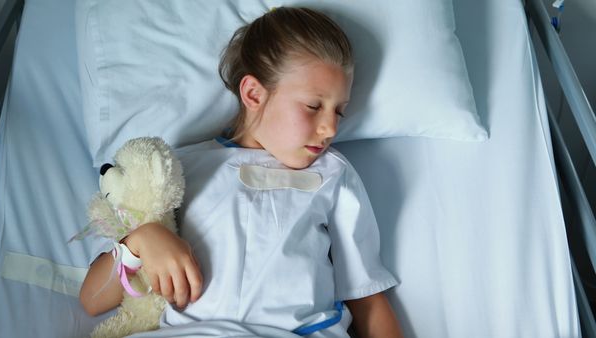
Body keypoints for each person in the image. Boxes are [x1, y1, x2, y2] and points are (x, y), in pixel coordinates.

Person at [80, 7, 402, 338]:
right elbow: (92, 299)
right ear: (253, 94)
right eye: (314, 106)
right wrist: (141, 239)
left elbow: (368, 301)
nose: (329, 128)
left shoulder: (334, 176)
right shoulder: (176, 170)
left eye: (340, 112)